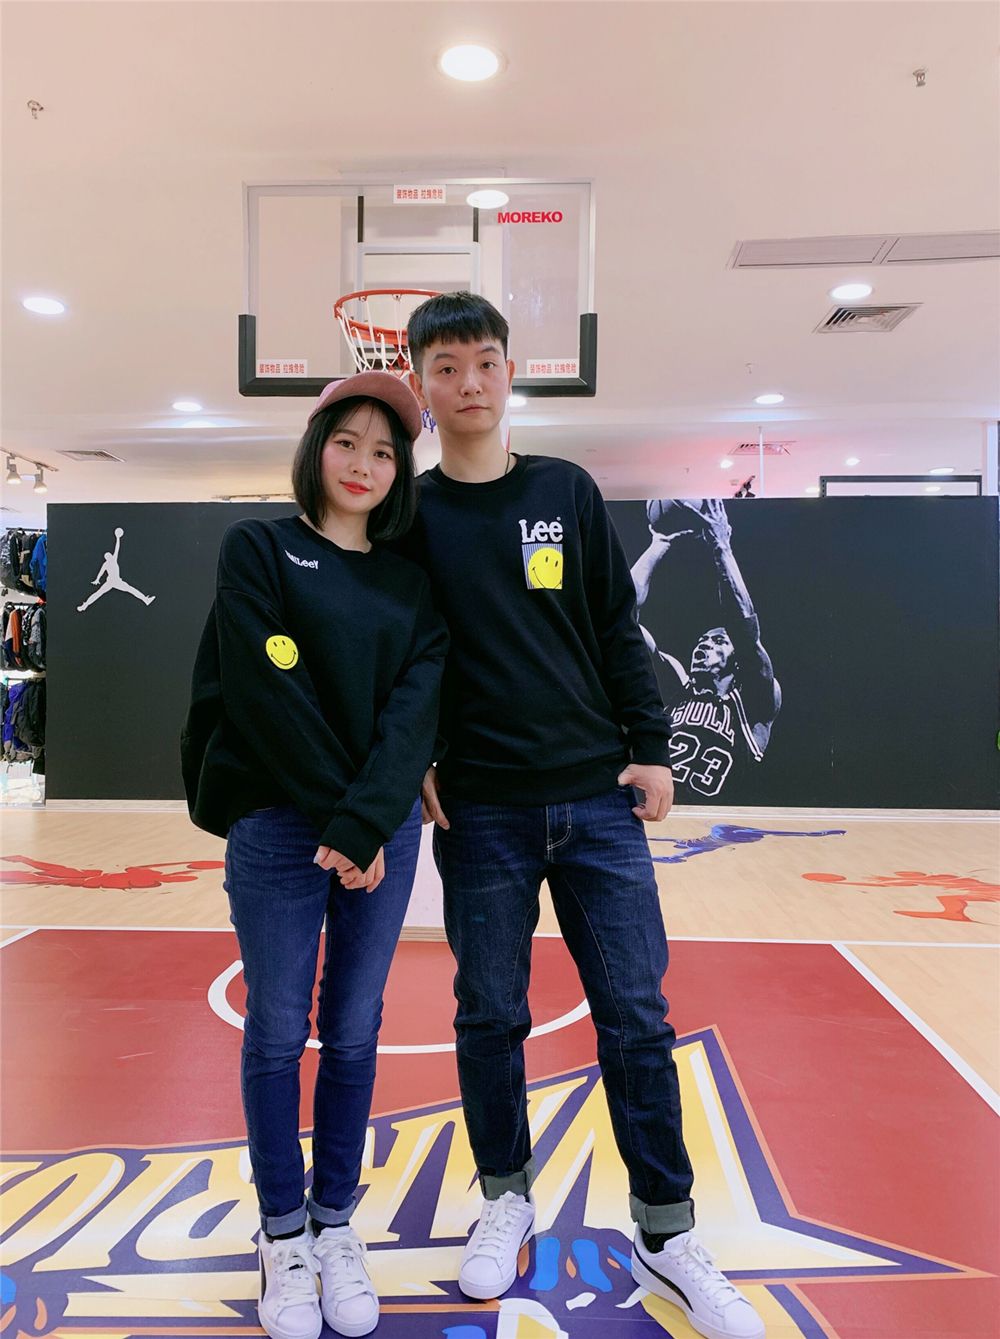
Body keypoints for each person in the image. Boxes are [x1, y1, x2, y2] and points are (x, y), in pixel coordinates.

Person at [400, 292, 764, 1339]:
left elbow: (615, 625)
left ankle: (665, 1231)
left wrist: (651, 746)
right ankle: (503, 1195)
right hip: (481, 810)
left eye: (484, 361)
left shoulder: (564, 488)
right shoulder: (411, 517)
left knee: (636, 1019)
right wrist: (414, 759)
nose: (468, 382)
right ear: (421, 386)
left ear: (510, 372)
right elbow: (402, 654)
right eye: (446, 367)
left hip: (597, 800)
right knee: (489, 1015)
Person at [181, 371, 447, 1339]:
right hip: (279, 824)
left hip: (377, 832)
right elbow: (267, 693)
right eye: (347, 442)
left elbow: (415, 712)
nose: (364, 464)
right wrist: (346, 821)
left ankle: (335, 1221)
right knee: (276, 1029)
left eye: (383, 451)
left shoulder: (410, 583)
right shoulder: (257, 547)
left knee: (356, 1027)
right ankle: (282, 1231)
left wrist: (367, 824)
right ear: (315, 448)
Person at [630, 499, 781, 802]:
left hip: (722, 820)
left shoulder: (754, 702)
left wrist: (721, 546)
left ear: (737, 662)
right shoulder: (676, 688)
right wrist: (659, 544)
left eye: (718, 641)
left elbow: (745, 631)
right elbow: (621, 616)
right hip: (661, 816)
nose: (705, 644)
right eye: (703, 640)